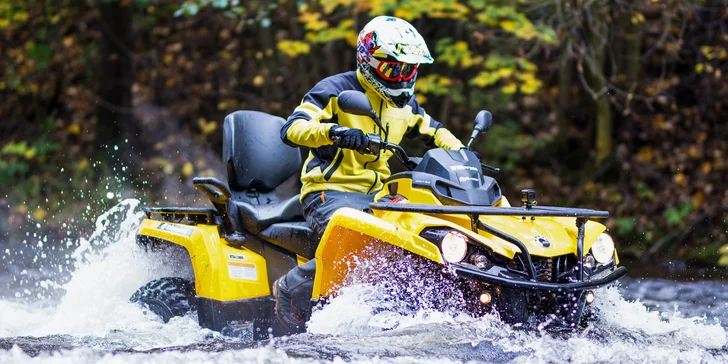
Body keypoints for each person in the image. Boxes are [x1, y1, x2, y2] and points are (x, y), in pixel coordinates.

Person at [273, 16, 464, 333]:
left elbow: (437, 132)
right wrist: (334, 132)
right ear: (368, 61)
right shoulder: (335, 90)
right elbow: (292, 128)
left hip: (380, 197)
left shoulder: (406, 105)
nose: (401, 77)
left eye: (408, 70)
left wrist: (463, 155)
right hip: (328, 191)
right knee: (366, 244)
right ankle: (291, 286)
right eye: (393, 69)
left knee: (421, 240)